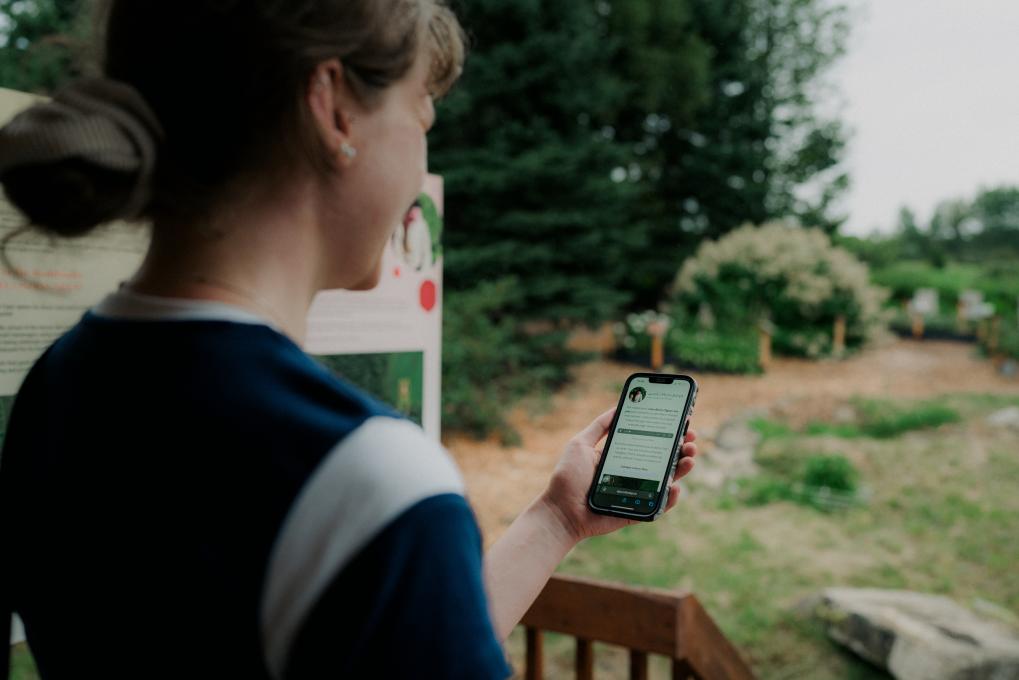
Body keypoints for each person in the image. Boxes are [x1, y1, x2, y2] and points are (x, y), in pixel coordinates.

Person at [0, 2, 698, 678]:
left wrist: (555, 519)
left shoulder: (57, 385)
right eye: (423, 111)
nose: (422, 158)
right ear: (333, 108)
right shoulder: (365, 476)